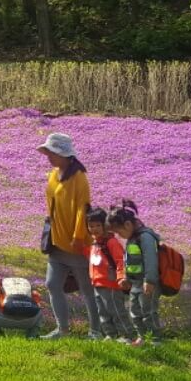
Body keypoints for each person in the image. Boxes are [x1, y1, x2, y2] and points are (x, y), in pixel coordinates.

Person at [37, 132, 101, 340]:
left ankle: (96, 332)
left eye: (52, 152)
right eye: (47, 152)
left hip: (76, 244)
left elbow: (84, 208)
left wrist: (79, 235)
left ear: (65, 155)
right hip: (56, 241)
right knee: (52, 284)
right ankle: (62, 329)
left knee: (87, 289)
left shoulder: (79, 177)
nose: (48, 156)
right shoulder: (53, 174)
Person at [109, 200, 164, 346]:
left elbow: (150, 259)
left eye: (119, 232)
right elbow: (129, 260)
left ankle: (155, 340)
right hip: (135, 283)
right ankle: (142, 337)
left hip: (147, 282)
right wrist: (126, 277)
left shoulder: (145, 237)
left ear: (128, 224)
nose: (119, 236)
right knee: (134, 311)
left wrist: (150, 280)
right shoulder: (132, 238)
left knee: (149, 312)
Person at [87, 206, 134, 341]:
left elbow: (121, 261)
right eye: (91, 226)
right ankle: (111, 334)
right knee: (103, 312)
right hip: (98, 284)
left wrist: (121, 277)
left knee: (116, 311)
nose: (94, 229)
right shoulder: (95, 244)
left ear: (105, 226)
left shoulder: (111, 242)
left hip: (111, 284)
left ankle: (126, 335)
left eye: (97, 225)